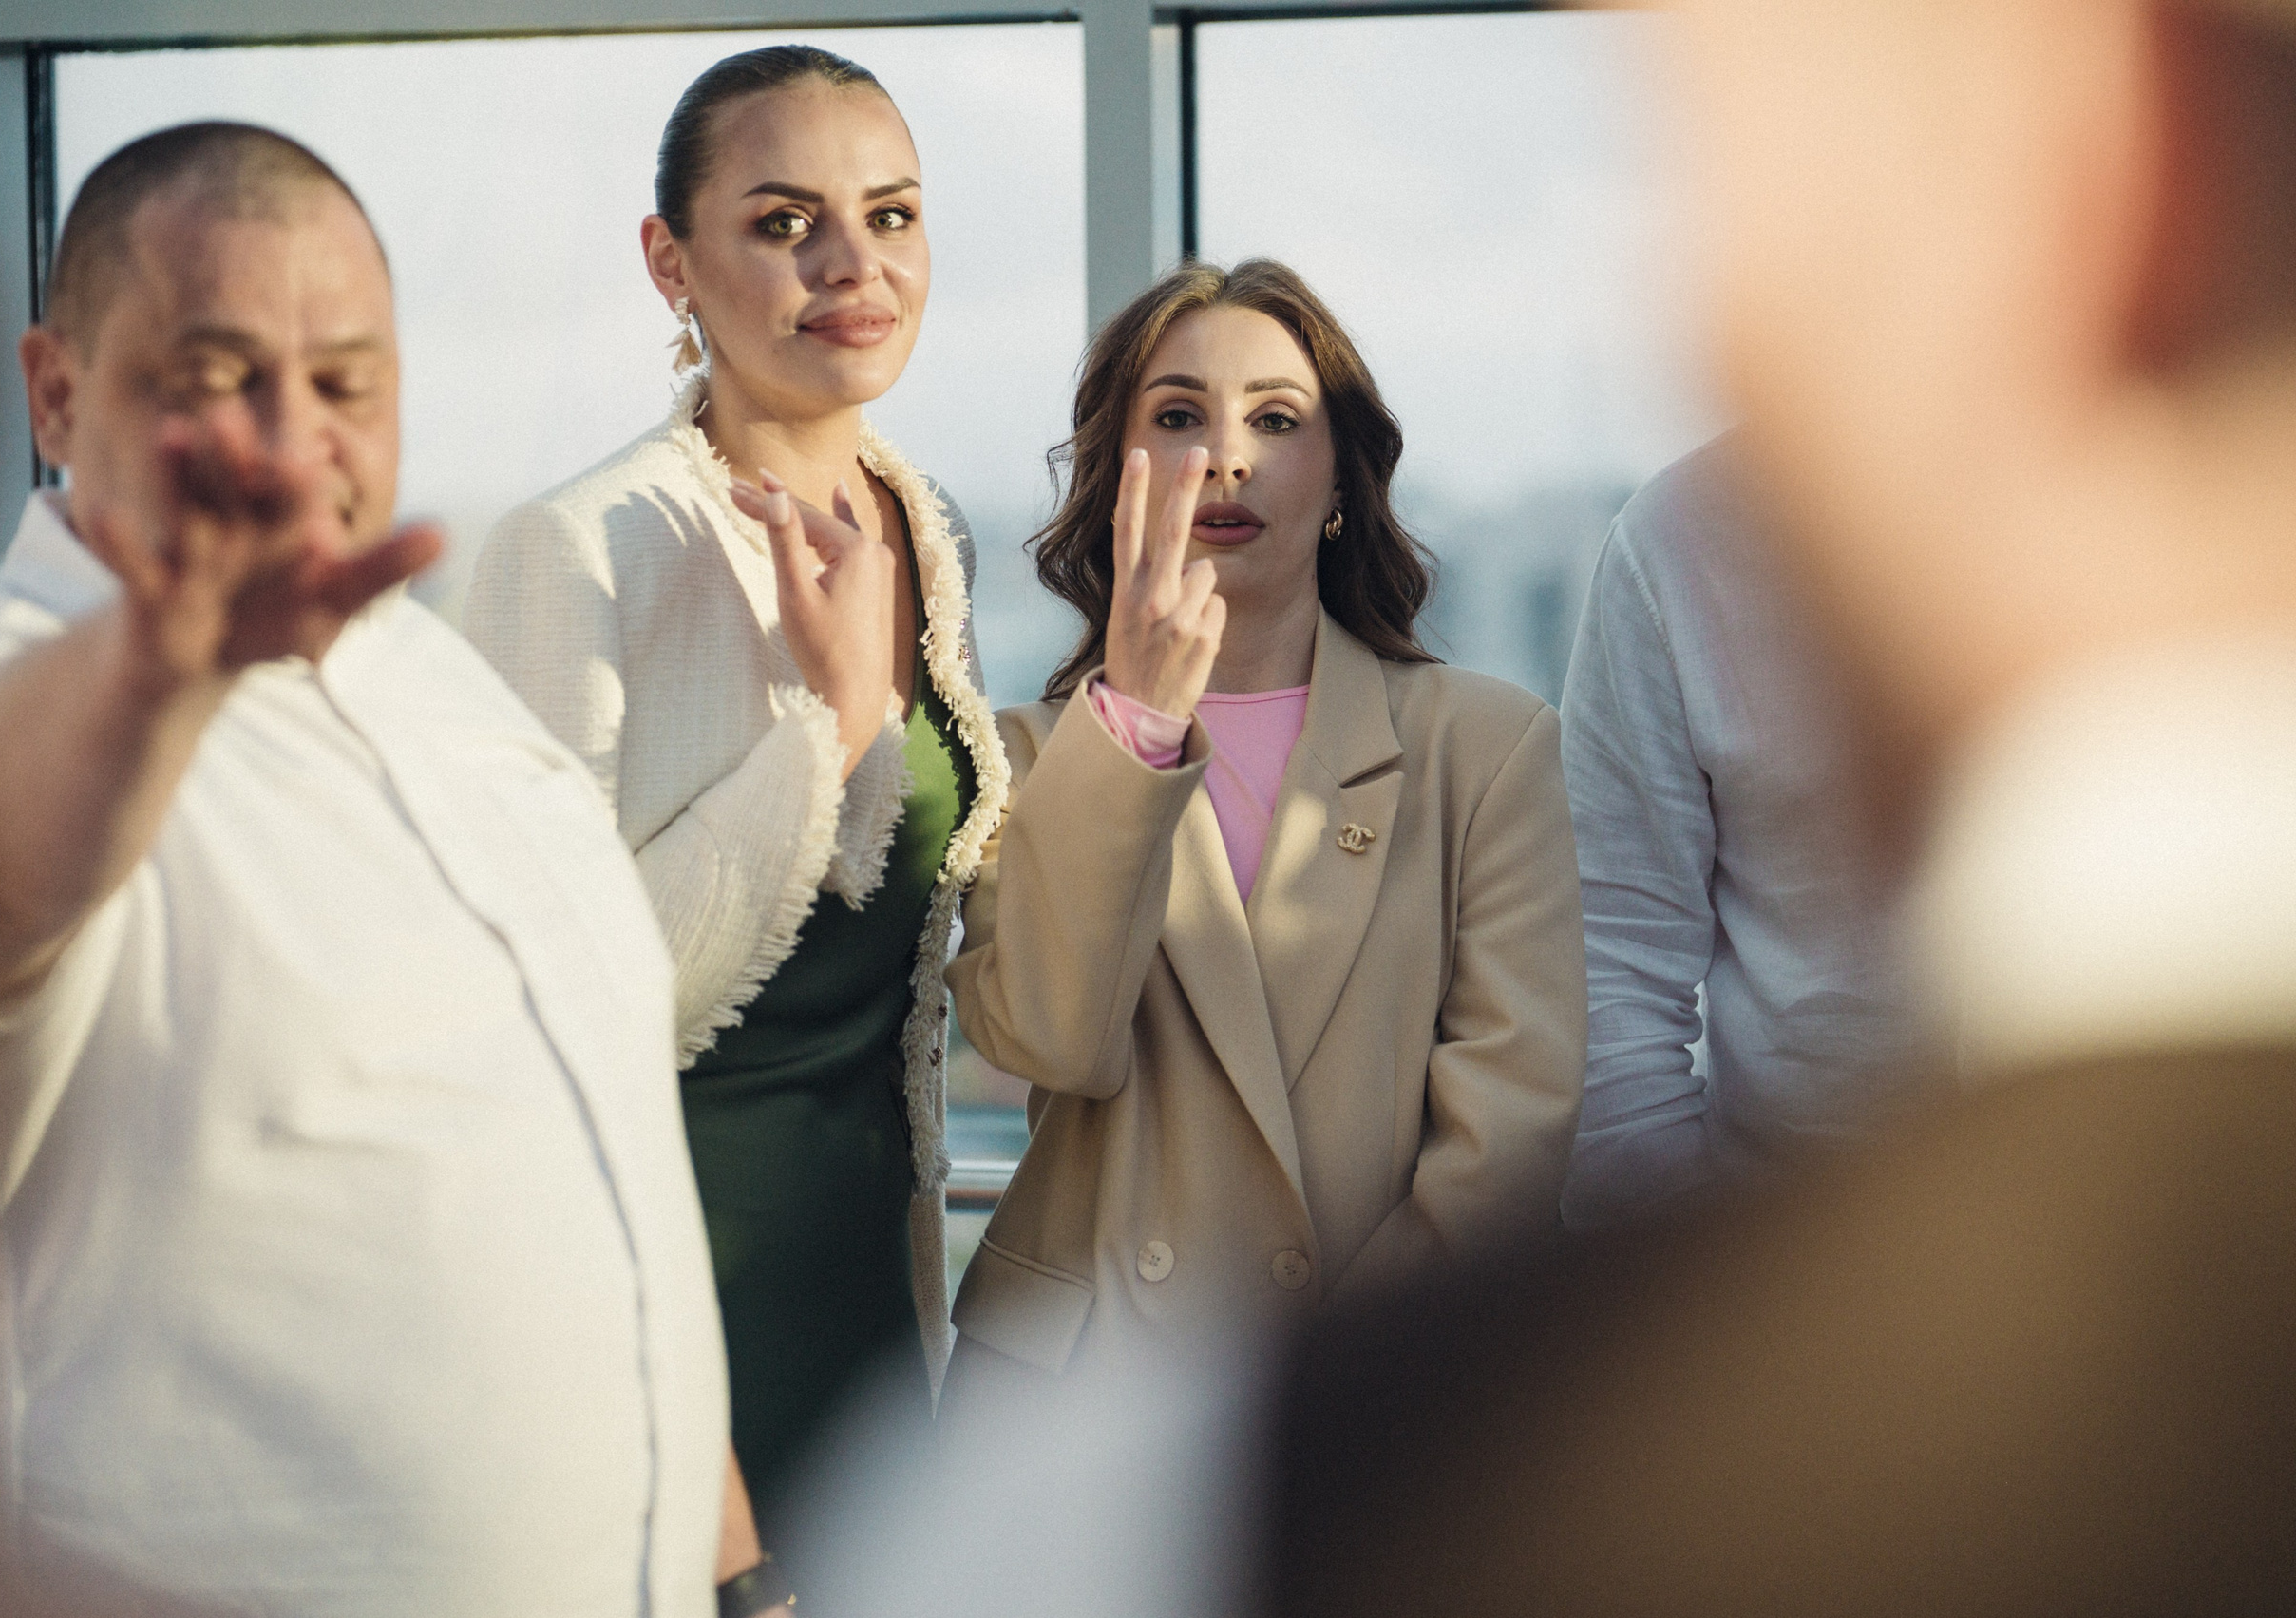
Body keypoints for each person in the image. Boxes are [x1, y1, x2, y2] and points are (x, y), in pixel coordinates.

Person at [1263, 0, 2296, 1610]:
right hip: (1790, 1292)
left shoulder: (1252, 1511)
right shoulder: (1675, 545)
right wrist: (1715, 1314)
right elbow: (1625, 965)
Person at [0, 123, 764, 1615]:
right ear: (56, 391)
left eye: (345, 385)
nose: (290, 445)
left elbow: (593, 1146)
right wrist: (152, 673)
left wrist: (740, 1572)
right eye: (219, 378)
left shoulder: (453, 687)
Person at [462, 45, 1008, 1553]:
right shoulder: (579, 550)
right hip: (669, 1323)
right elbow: (553, 1020)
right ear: (671, 262)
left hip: (876, 1299)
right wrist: (828, 730)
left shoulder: (923, 523)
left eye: (891, 215)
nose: (854, 265)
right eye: (784, 223)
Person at [933, 258, 1585, 1404]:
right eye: (1178, 415)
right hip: (1078, 1401)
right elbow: (1052, 1039)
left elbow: (1508, 1134)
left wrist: (1334, 1382)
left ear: (1339, 475)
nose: (1225, 456)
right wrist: (1133, 722)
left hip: (1372, 1386)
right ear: (1116, 469)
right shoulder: (1021, 758)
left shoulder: (1484, 747)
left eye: (1275, 419)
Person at [1558, 434, 1926, 1228]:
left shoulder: (2155, 496)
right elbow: (1612, 961)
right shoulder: (1674, 543)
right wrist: (1683, 1259)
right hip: (1794, 1243)